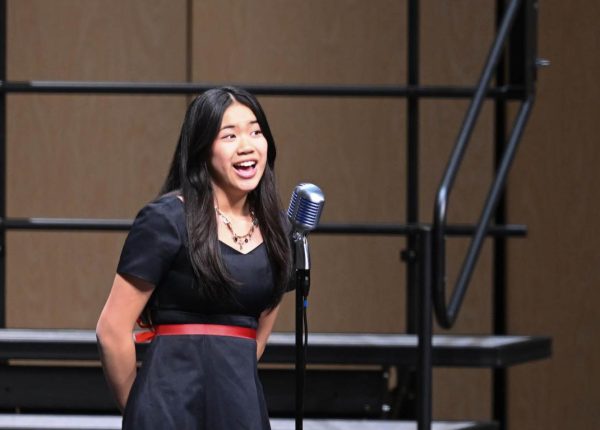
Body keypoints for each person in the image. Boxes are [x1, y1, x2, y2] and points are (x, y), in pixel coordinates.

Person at [96, 86, 292, 429]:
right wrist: (140, 409)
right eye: (229, 135)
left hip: (240, 407)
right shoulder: (165, 220)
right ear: (203, 149)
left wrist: (231, 387)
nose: (247, 145)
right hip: (166, 407)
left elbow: (257, 335)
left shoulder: (279, 230)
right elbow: (112, 330)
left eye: (256, 131)